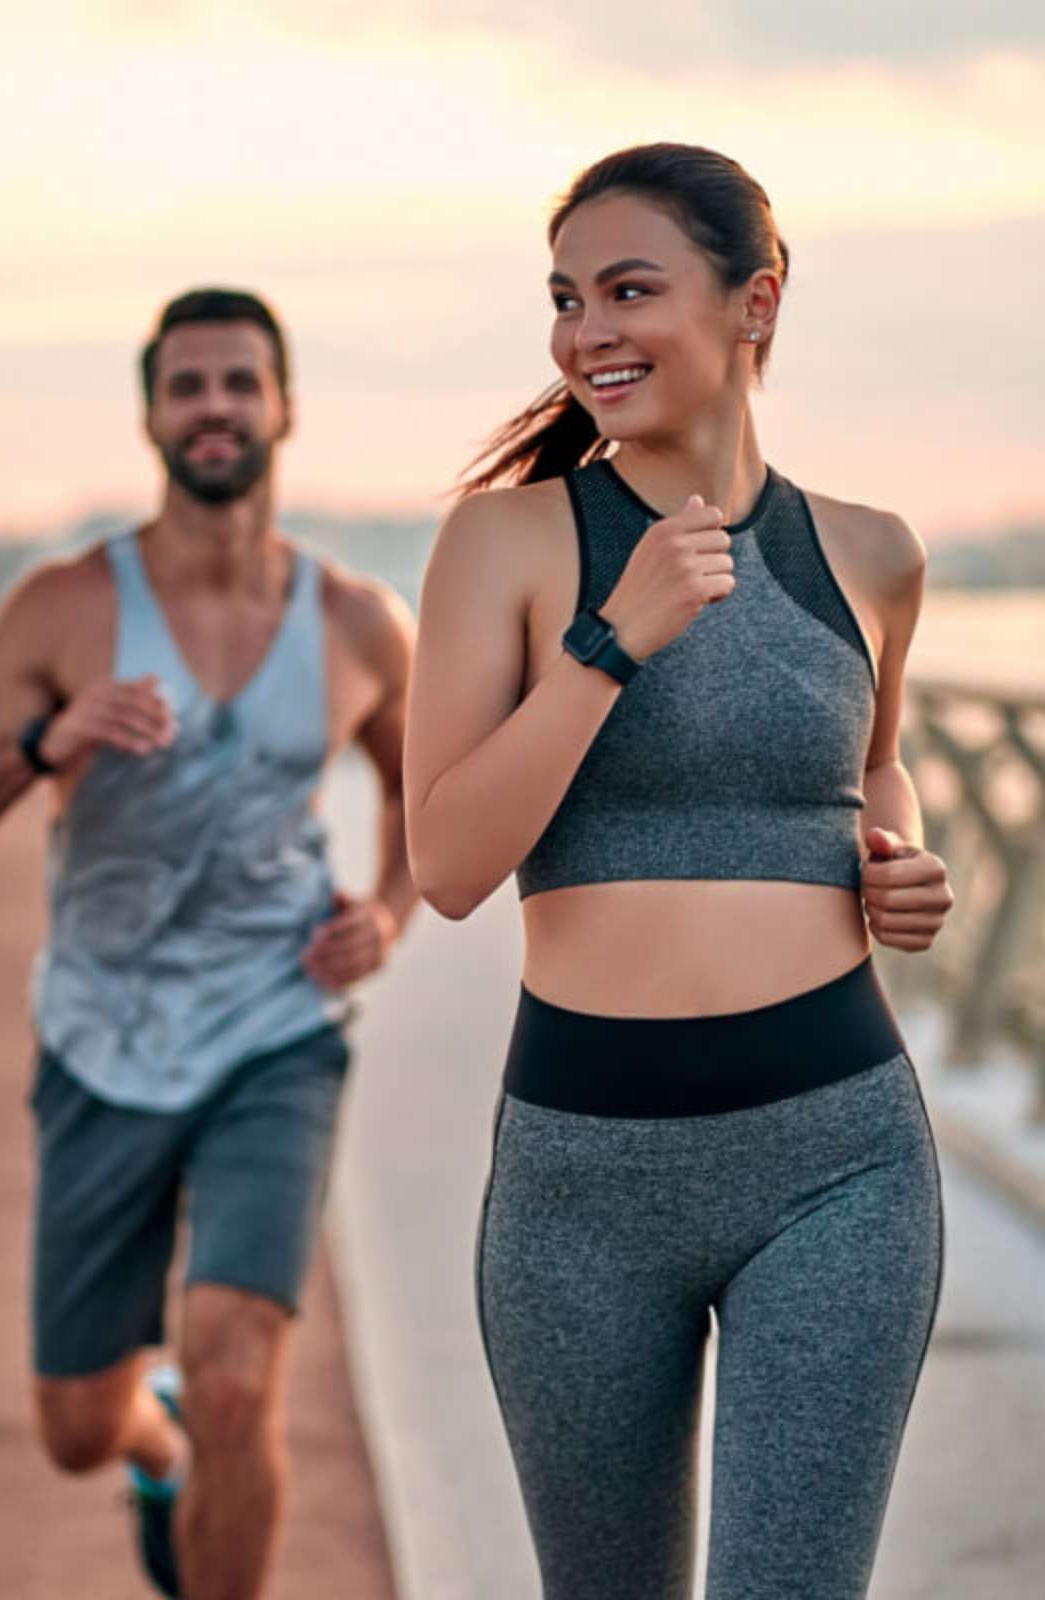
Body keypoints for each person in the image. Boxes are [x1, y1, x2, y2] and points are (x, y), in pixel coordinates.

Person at [403, 145, 954, 1600]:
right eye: (568, 298)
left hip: (838, 1161)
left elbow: (867, 768)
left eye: (630, 289)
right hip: (582, 1179)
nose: (588, 333)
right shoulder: (510, 541)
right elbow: (449, 862)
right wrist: (612, 640)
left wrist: (895, 867)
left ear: (754, 302)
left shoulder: (874, 552)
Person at [0, 287, 417, 1600]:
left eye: (241, 382)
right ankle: (152, 1443)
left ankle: (204, 1436)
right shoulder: (67, 607)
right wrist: (41, 744)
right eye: (189, 386)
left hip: (277, 1032)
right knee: (75, 1426)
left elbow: (428, 792)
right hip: (100, 1040)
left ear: (284, 405)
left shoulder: (355, 622)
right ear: (151, 415)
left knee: (243, 1377)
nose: (217, 408)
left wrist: (389, 910)